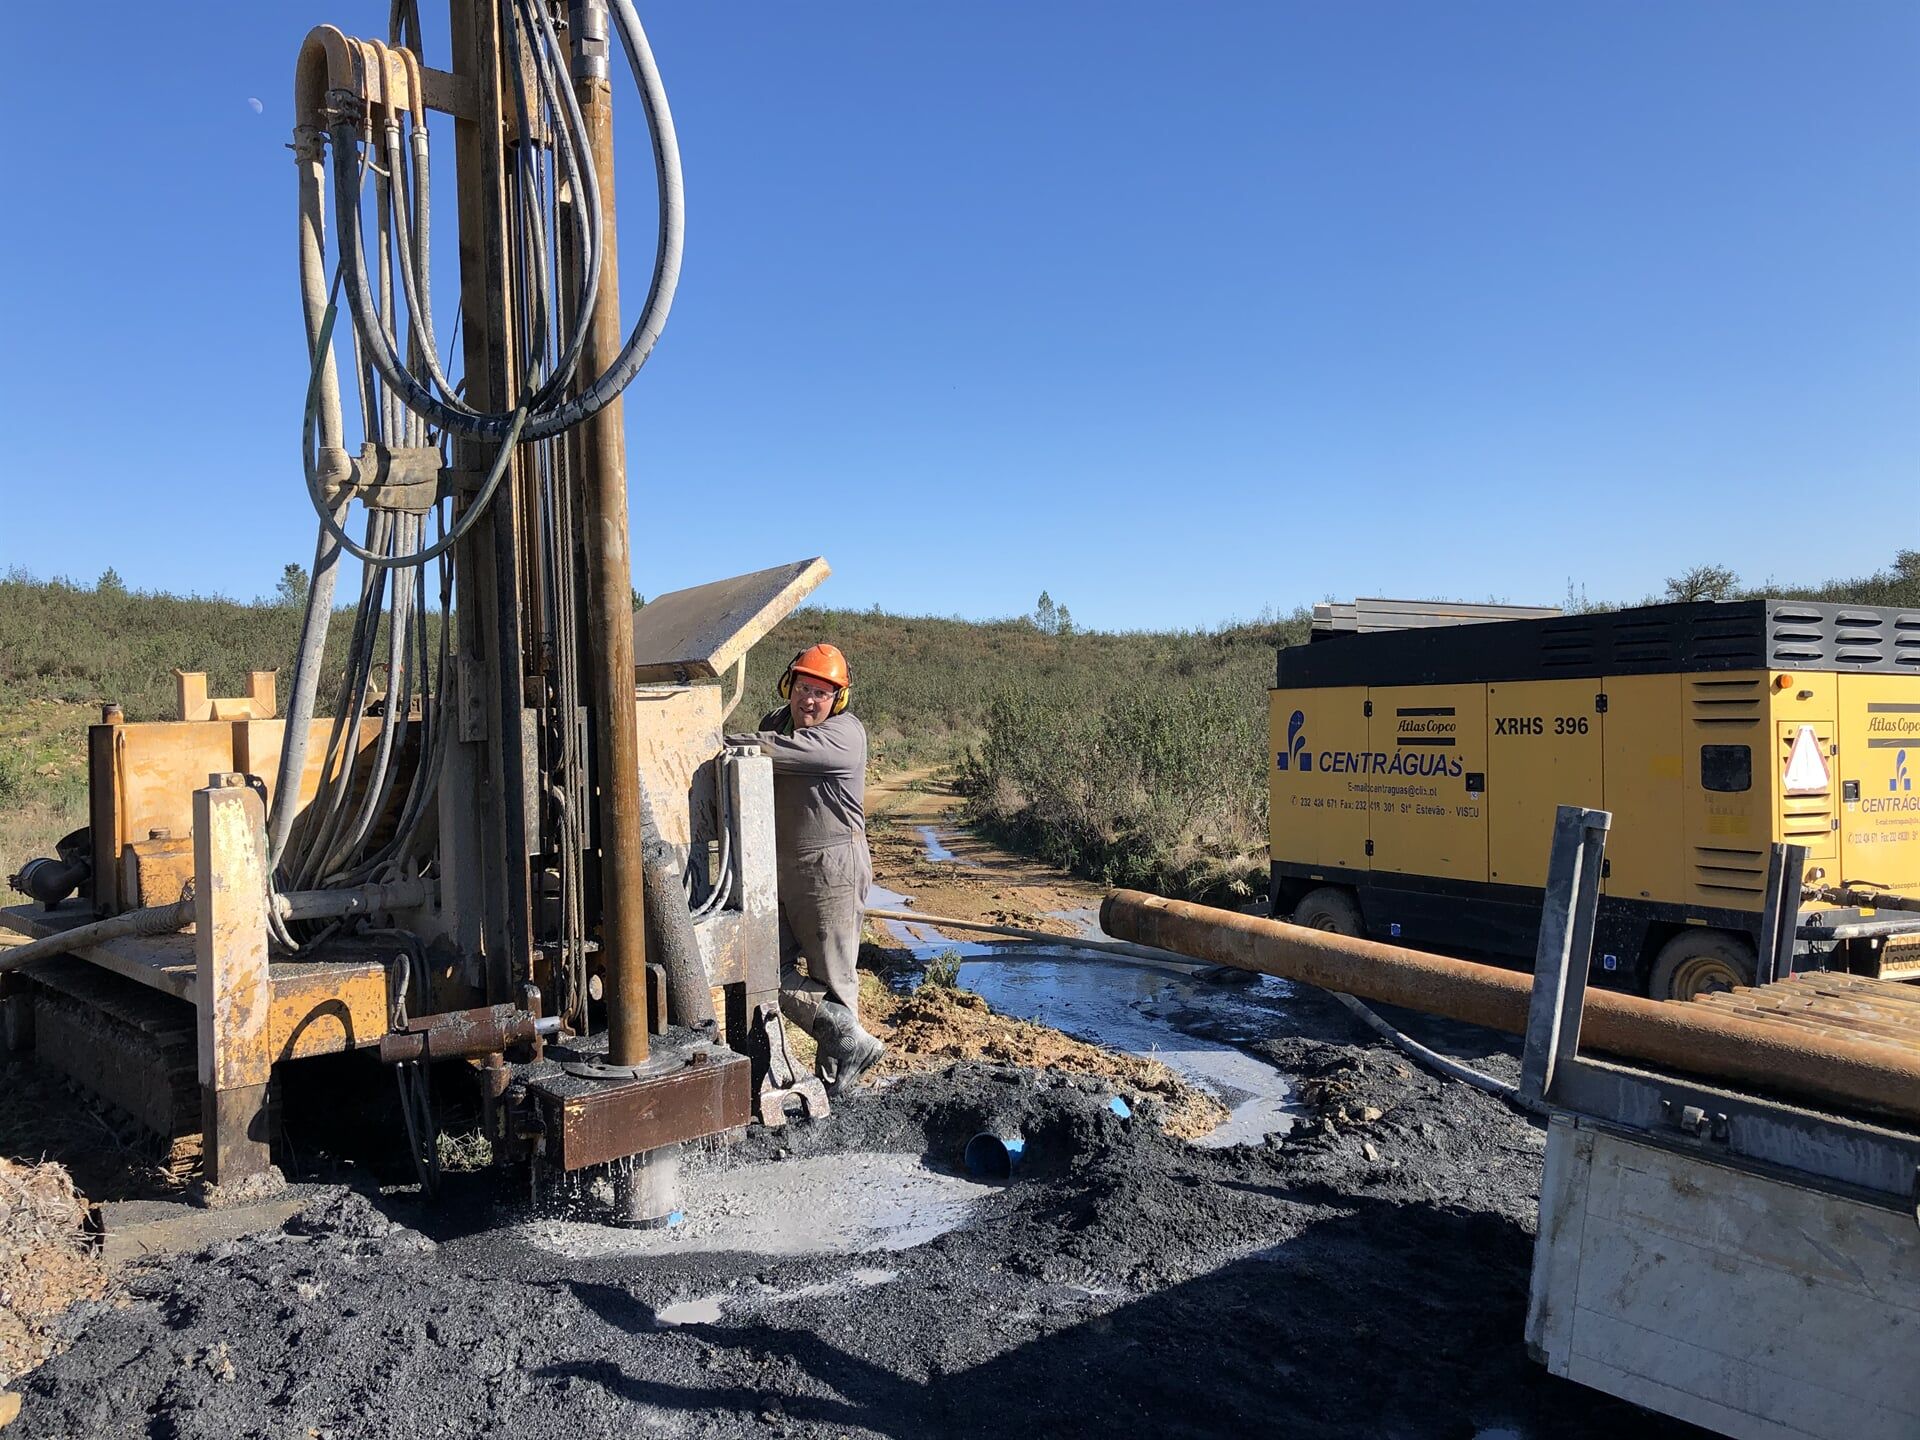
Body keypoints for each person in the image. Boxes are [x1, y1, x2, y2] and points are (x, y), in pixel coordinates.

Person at [726, 643, 886, 1094]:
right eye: (802, 688)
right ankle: (844, 1040)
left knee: (834, 979)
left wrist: (714, 741)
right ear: (788, 686)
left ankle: (840, 1086)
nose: (809, 700)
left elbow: (768, 751)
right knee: (761, 965)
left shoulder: (844, 735)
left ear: (839, 699)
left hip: (830, 869)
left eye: (821, 692)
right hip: (780, 867)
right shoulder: (777, 723)